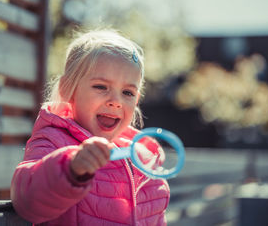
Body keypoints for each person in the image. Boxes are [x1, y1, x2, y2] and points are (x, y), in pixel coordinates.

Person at [11, 29, 170, 225]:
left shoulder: (143, 158)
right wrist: (70, 168)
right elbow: (28, 201)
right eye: (101, 87)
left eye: (127, 92)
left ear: (136, 100)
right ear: (68, 89)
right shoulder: (53, 140)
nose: (115, 101)